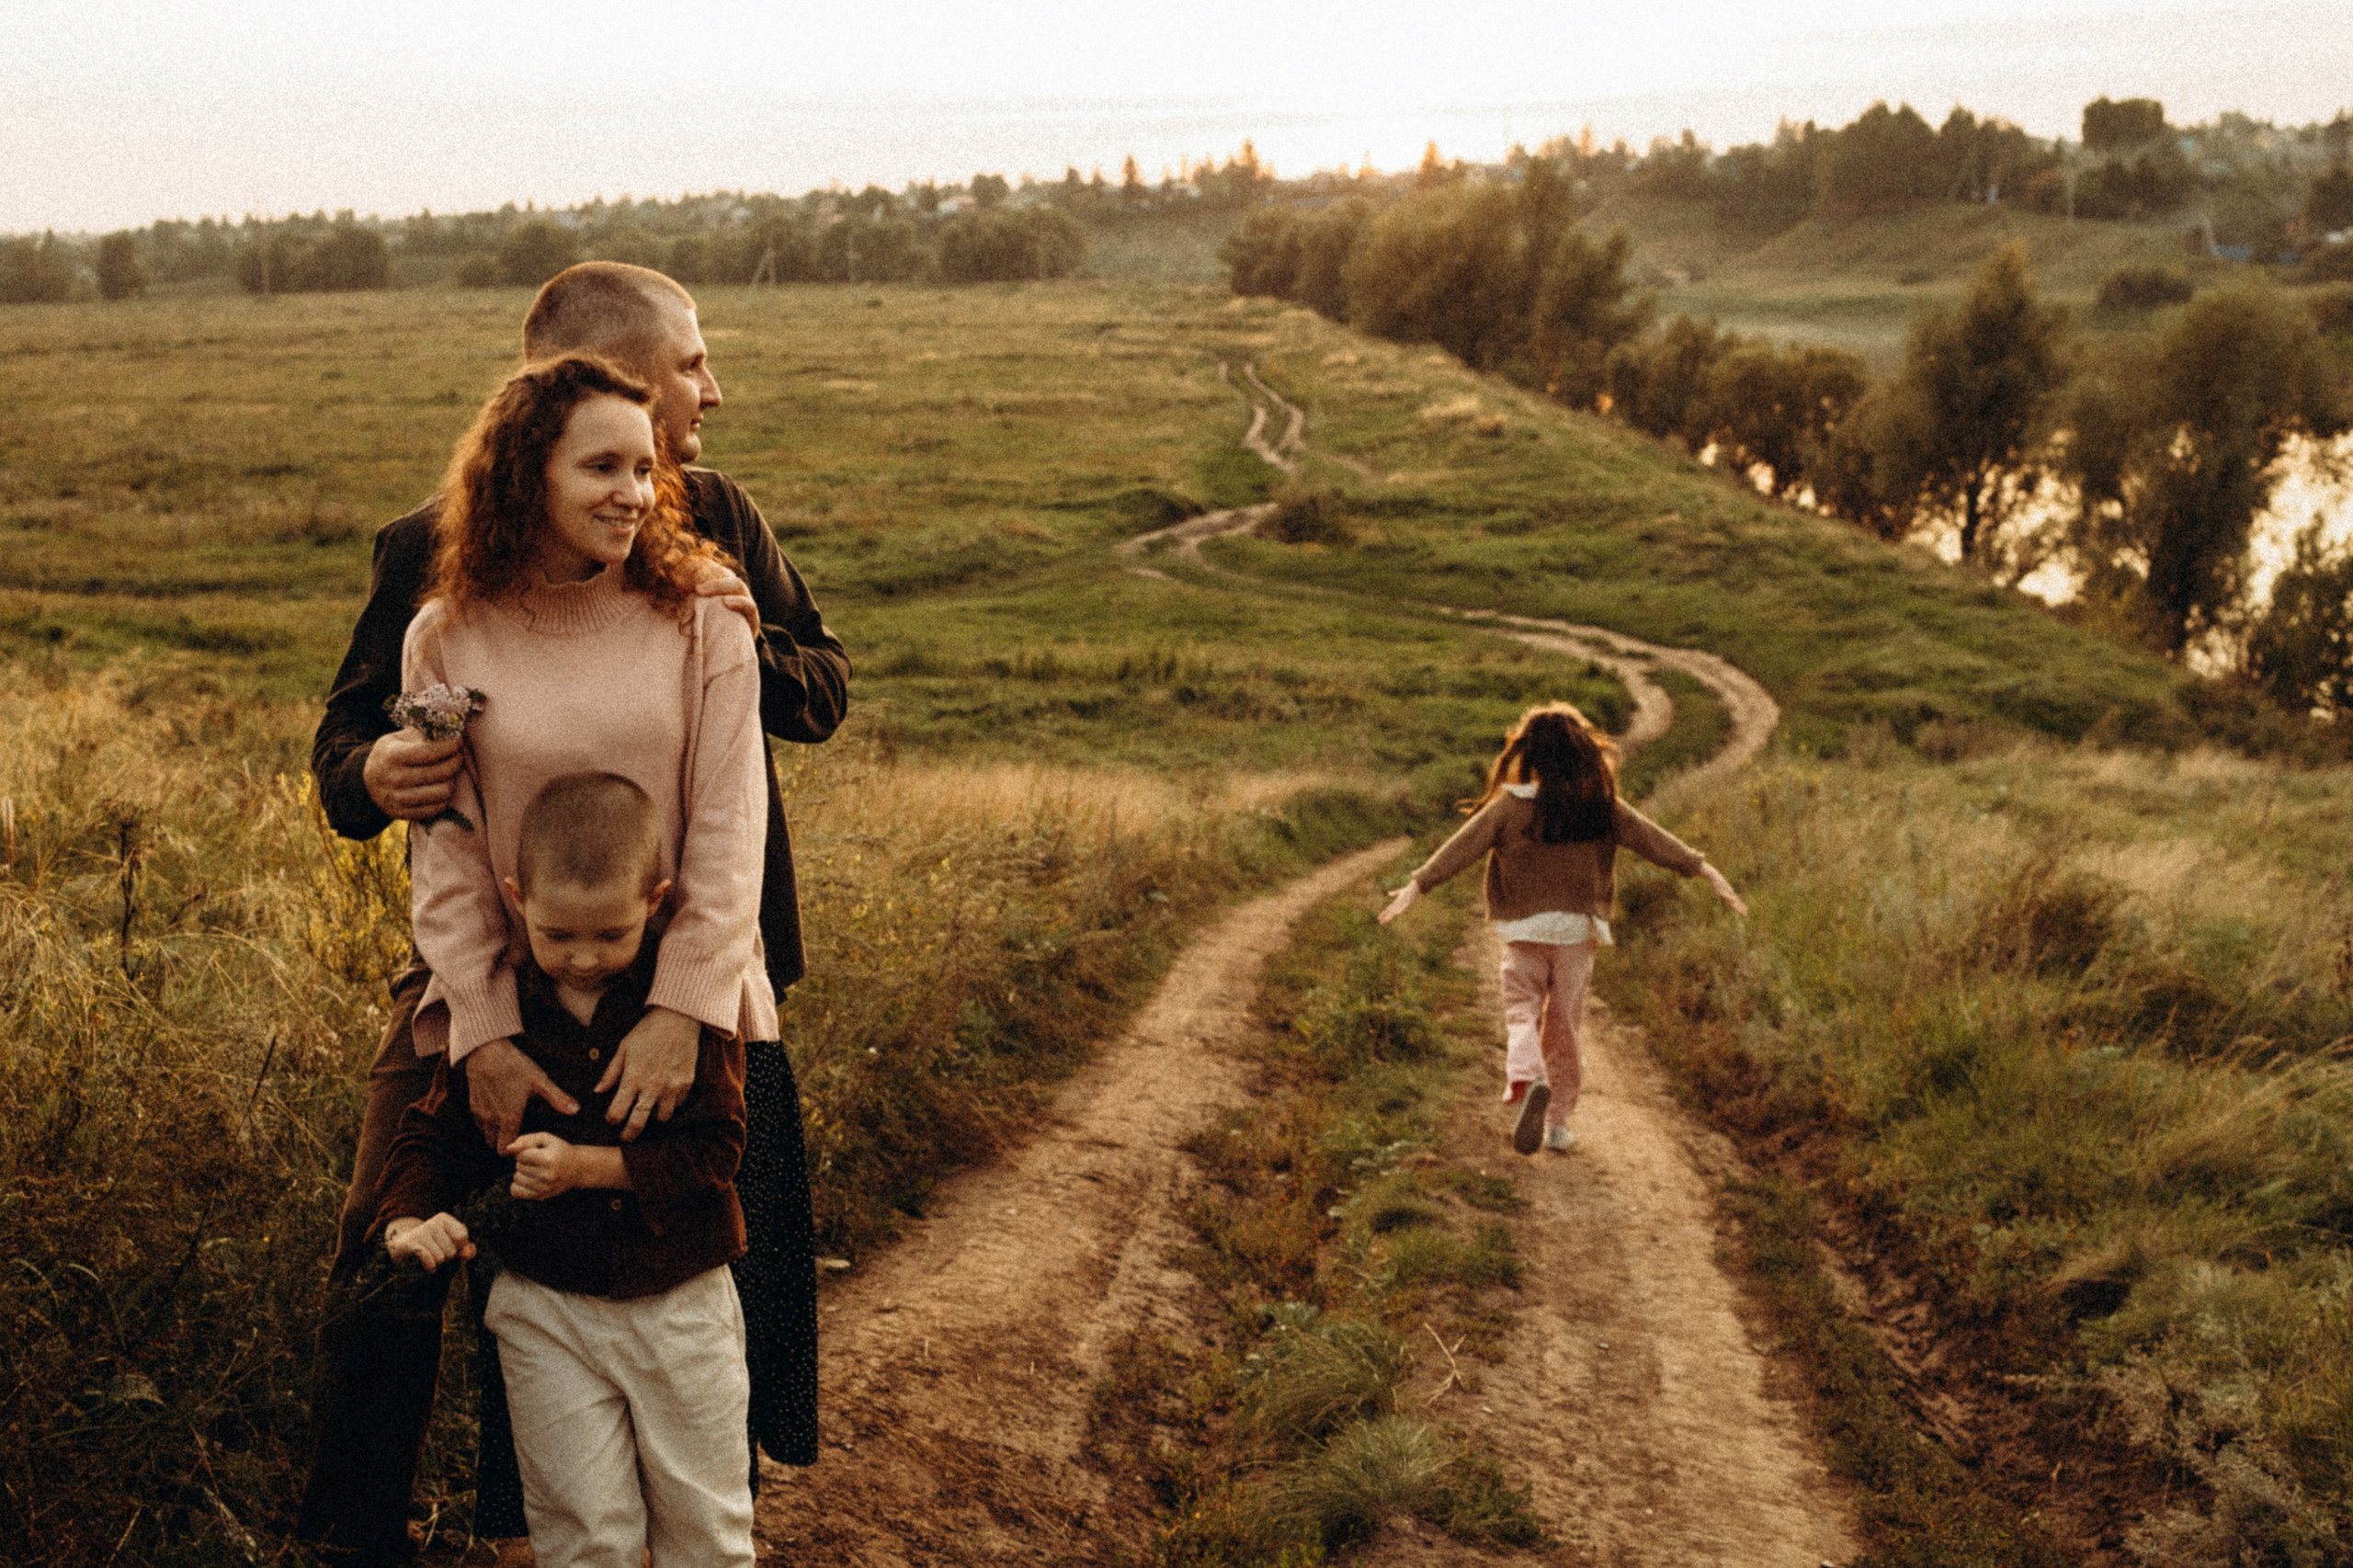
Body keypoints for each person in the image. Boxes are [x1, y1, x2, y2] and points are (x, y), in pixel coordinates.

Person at [301, 263, 846, 1562]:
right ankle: (357, 1535)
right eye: (693, 365)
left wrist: (720, 642)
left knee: (710, 1228)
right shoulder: (435, 580)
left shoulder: (709, 538)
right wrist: (372, 775)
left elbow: (800, 708)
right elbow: (371, 754)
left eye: (641, 459)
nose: (709, 393)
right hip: (485, 957)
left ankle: (711, 1511)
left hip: (694, 954)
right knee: (403, 1241)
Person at [379, 770, 756, 1568]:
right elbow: (431, 1137)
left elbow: (716, 1151)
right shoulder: (497, 1012)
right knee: (582, 1535)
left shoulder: (679, 1014)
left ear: (655, 902)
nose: (583, 959)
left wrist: (589, 1167)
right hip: (543, 1307)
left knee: (706, 1531)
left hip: (678, 1301)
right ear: (516, 900)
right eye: (557, 937)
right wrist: (409, 1220)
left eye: (611, 937)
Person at [1379, 702, 1746, 1155]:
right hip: (1577, 934)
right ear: (1582, 754)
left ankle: (1528, 1078)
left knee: (1521, 1013)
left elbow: (1463, 847)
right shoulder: (1600, 807)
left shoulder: (1510, 807)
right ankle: (1556, 1125)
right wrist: (1704, 870)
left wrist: (1418, 884)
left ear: (1530, 755)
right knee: (1565, 1028)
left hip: (1523, 933)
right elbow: (1654, 841)